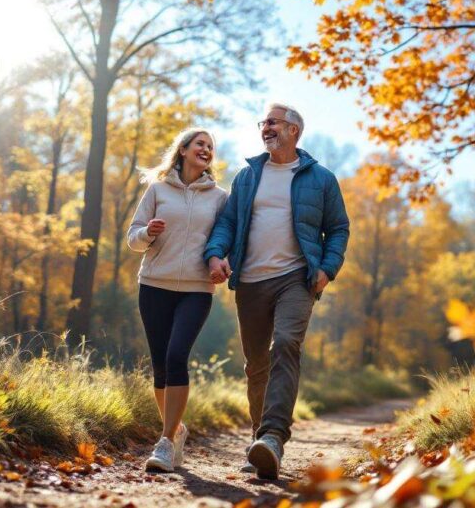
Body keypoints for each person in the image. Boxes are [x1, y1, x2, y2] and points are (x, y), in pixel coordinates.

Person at [204, 102, 350, 480]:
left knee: (285, 344)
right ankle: (260, 442)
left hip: (297, 278)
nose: (265, 128)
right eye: (263, 123)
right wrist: (215, 253)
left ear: (293, 130)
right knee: (256, 366)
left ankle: (272, 438)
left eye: (273, 122)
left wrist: (327, 268)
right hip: (250, 280)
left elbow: (338, 228)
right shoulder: (248, 176)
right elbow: (228, 222)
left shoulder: (321, 178)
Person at [127, 129, 228, 472]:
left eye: (210, 146)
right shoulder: (157, 190)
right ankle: (176, 429)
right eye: (200, 143)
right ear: (183, 150)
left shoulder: (220, 198)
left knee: (176, 357)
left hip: (197, 289)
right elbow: (133, 238)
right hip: (154, 285)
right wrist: (147, 233)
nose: (206, 149)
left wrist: (222, 261)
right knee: (160, 366)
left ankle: (166, 442)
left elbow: (224, 238)